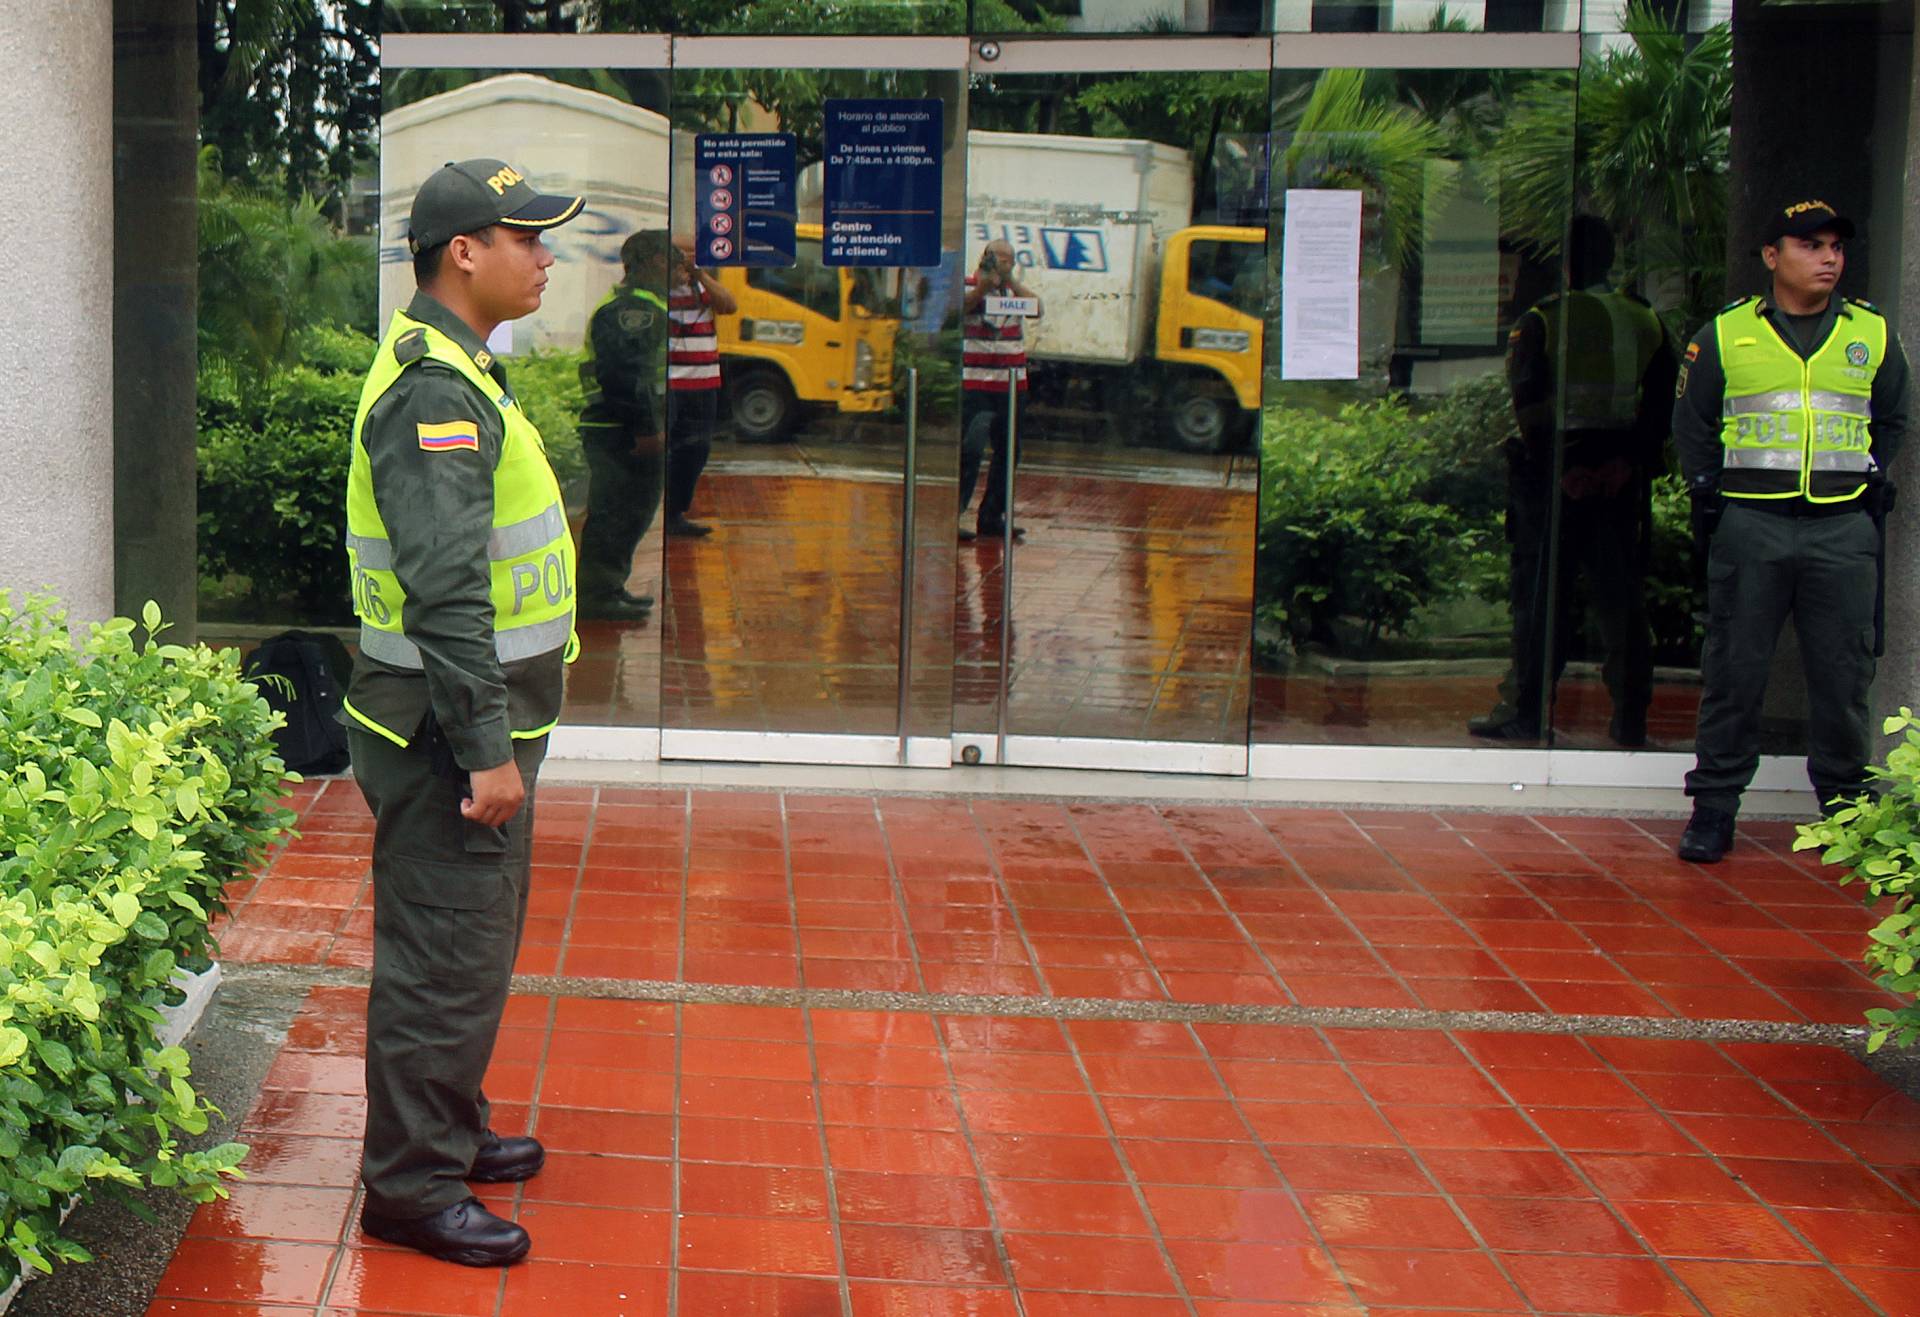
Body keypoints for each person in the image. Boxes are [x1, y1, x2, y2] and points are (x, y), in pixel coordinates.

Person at [339, 157, 584, 1266]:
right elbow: (444, 590)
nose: (546, 257)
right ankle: (409, 1185)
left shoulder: (462, 367)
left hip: (464, 724)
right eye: (527, 238)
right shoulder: (433, 390)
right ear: (463, 253)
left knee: (469, 948)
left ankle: (447, 1129)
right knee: (445, 955)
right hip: (446, 735)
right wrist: (487, 752)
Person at [1674, 198, 1909, 862]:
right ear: (1772, 256)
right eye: (1810, 245)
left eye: (1835, 245)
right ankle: (1714, 809)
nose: (1828, 257)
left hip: (1841, 529)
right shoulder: (1724, 336)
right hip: (1753, 525)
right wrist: (1709, 497)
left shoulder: (1872, 333)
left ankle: (1846, 815)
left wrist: (1869, 477)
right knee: (1734, 672)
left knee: (1843, 677)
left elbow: (1891, 418)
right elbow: (1692, 425)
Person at [1470, 216, 1675, 747]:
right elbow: (1660, 407)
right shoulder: (1643, 319)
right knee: (1622, 606)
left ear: (1564, 263)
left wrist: (1562, 470)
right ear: (1609, 260)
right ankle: (1631, 719)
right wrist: (1625, 465)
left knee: (1540, 601)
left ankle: (1528, 713)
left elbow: (1529, 404)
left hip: (1555, 484)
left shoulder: (1544, 320)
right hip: (1617, 481)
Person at [576, 230, 669, 620]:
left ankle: (609, 585)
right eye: (672, 260)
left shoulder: (643, 306)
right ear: (650, 262)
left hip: (619, 428)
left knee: (630, 511)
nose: (681, 271)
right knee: (616, 512)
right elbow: (625, 376)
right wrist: (646, 430)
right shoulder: (634, 311)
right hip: (621, 432)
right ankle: (597, 594)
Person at [959, 238, 1039, 542]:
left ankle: (993, 516)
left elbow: (1037, 309)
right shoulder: (968, 284)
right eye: (996, 258)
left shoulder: (1014, 292)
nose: (1002, 264)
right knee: (969, 449)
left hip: (1011, 384)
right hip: (975, 382)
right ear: (984, 258)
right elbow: (958, 310)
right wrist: (983, 286)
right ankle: (956, 512)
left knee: (1008, 451)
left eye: (1008, 260)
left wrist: (1010, 282)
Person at [663, 236, 737, 537]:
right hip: (670, 383)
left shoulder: (704, 286)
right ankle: (660, 513)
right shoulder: (659, 288)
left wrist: (700, 275)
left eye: (691, 255)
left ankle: (676, 512)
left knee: (696, 449)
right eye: (681, 256)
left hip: (703, 383)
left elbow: (730, 305)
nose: (687, 261)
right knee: (665, 449)